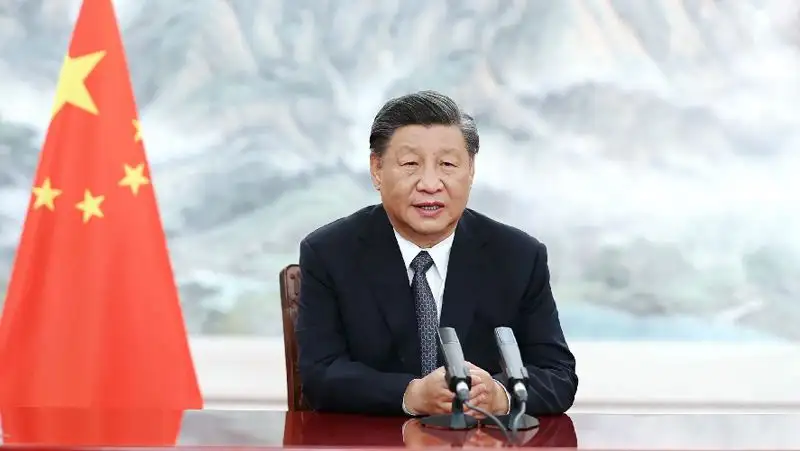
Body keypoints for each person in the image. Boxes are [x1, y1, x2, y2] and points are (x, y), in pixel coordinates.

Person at [295, 90, 577, 417]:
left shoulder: (518, 257)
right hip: (374, 438)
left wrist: (498, 396)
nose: (430, 183)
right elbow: (320, 375)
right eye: (410, 164)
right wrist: (411, 394)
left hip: (481, 438)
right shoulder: (330, 253)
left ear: (470, 170)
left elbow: (558, 376)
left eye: (447, 164)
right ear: (377, 169)